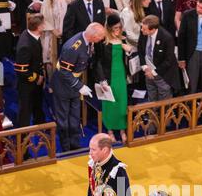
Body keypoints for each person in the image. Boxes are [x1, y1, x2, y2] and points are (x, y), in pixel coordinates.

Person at [50, 22, 105, 151]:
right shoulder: (73, 47)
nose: (102, 39)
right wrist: (79, 86)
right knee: (63, 118)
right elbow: (64, 72)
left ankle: (75, 145)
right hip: (63, 85)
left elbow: (93, 62)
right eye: (101, 36)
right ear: (93, 35)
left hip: (74, 84)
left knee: (75, 116)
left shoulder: (89, 42)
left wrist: (102, 80)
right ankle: (66, 148)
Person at [96, 14, 131, 143]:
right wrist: (102, 79)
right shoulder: (102, 40)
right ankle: (110, 130)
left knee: (122, 101)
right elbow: (97, 62)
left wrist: (126, 48)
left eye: (119, 27)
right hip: (108, 76)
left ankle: (122, 129)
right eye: (115, 28)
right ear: (109, 28)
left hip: (121, 74)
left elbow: (130, 55)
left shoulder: (123, 38)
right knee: (110, 102)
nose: (118, 30)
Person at [138, 15, 180, 101]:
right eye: (142, 27)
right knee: (151, 99)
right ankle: (152, 114)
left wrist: (153, 72)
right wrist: (145, 67)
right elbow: (140, 49)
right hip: (148, 72)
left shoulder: (167, 38)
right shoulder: (143, 32)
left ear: (153, 29)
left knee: (164, 103)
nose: (142, 30)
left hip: (163, 75)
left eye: (144, 29)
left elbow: (168, 61)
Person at [14, 13, 45, 128]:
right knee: (25, 112)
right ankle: (23, 139)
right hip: (27, 84)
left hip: (35, 81)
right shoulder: (25, 45)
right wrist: (37, 78)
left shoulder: (30, 34)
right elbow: (21, 70)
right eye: (43, 24)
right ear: (39, 27)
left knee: (37, 105)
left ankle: (40, 127)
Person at [40, 0, 74, 84]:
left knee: (66, 59)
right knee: (51, 60)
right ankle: (52, 83)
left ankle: (65, 82)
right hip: (51, 34)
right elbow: (43, 18)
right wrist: (53, 30)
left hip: (67, 35)